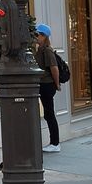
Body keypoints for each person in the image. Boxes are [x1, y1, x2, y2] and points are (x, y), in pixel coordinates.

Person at [34, 23, 60, 153]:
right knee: (47, 114)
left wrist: (57, 84)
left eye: (38, 34)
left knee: (49, 114)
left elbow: (54, 68)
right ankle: (53, 142)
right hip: (41, 84)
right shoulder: (39, 50)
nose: (36, 37)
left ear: (44, 36)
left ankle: (55, 143)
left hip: (47, 85)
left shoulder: (47, 50)